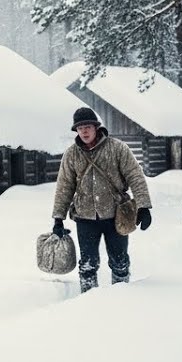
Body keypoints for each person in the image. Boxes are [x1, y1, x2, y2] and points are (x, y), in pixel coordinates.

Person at [50, 107, 153, 293]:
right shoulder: (71, 154)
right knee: (87, 265)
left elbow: (135, 176)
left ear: (96, 127)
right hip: (85, 217)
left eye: (88, 126)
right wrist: (58, 217)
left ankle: (122, 297)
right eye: (80, 128)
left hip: (117, 215)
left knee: (120, 262)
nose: (84, 131)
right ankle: (89, 301)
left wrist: (144, 206)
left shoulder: (118, 148)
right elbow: (64, 186)